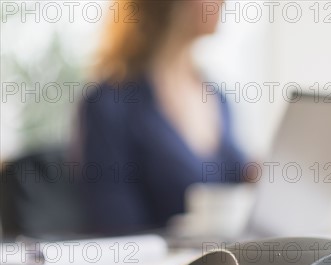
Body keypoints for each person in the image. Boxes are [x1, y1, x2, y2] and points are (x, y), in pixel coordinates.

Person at [73, 0, 248, 235]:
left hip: (224, 262)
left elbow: (237, 177)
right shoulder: (109, 104)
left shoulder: (218, 98)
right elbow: (114, 225)